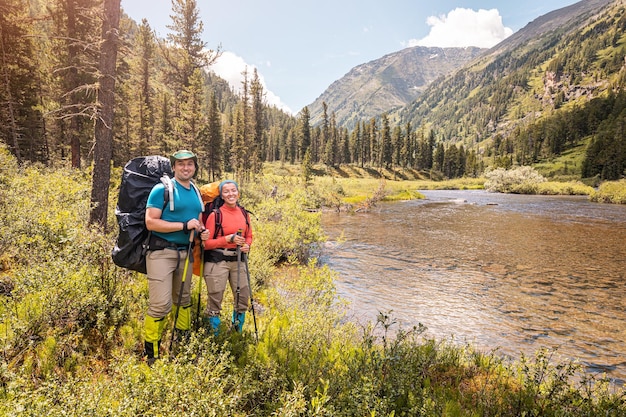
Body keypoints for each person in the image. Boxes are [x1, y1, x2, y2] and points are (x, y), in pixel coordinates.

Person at [143, 150, 208, 364]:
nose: (186, 168)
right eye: (181, 164)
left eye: (190, 164)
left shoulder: (196, 192)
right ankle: (152, 352)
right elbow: (151, 222)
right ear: (173, 167)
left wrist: (201, 229)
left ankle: (183, 340)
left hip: (186, 253)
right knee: (161, 304)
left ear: (195, 167)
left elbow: (197, 220)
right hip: (161, 253)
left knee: (184, 299)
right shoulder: (161, 189)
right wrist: (182, 226)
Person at [201, 179, 253, 335]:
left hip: (239, 260)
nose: (231, 194)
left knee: (243, 298)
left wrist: (247, 245)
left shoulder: (244, 213)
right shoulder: (215, 215)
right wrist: (228, 239)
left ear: (238, 193)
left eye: (233, 190)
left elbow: (249, 235)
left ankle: (236, 332)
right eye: (226, 191)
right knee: (215, 298)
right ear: (222, 195)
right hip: (217, 262)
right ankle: (214, 336)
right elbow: (206, 244)